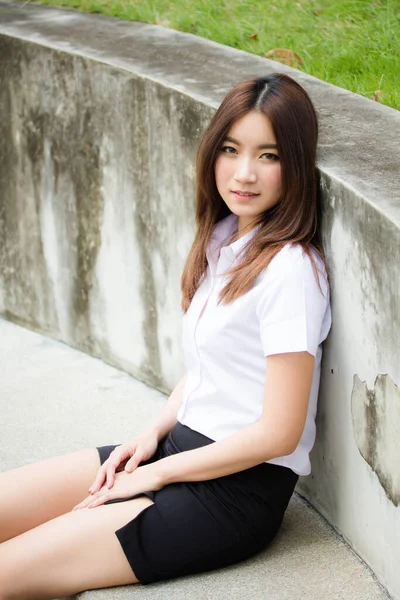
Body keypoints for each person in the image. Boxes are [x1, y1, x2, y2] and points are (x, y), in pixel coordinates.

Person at [0, 72, 331, 599]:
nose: (245, 173)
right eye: (231, 149)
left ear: (296, 164)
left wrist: (158, 476)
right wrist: (151, 433)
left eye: (269, 156)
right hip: (178, 448)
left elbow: (279, 433)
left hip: (231, 495)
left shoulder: (292, 270)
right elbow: (210, 370)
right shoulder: (226, 238)